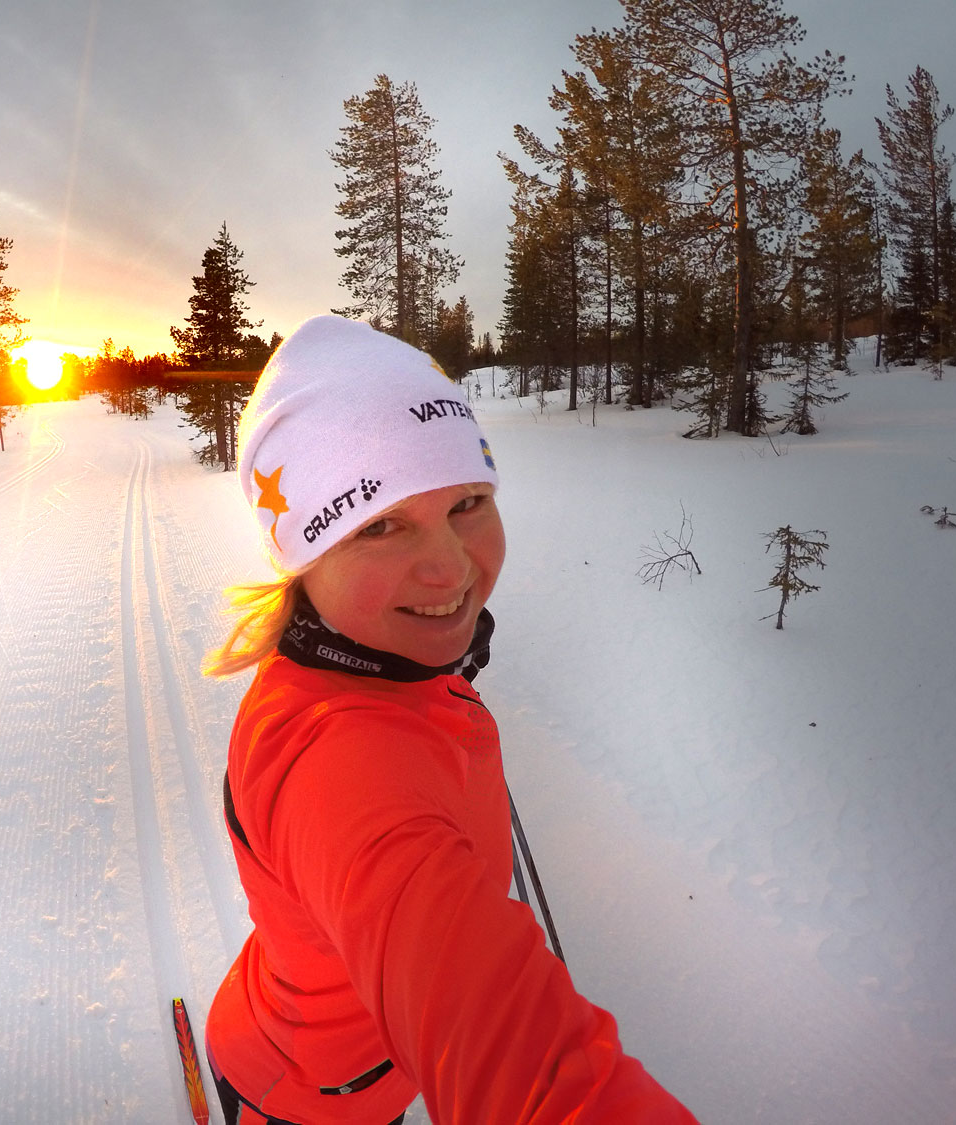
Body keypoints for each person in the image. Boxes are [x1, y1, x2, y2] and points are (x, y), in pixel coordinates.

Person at [202, 316, 697, 1124]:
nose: (453, 567)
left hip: (290, 1021)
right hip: (310, 1098)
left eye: (467, 503)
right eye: (381, 524)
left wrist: (441, 663)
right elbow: (524, 1069)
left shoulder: (359, 652)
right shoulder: (340, 766)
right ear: (304, 555)